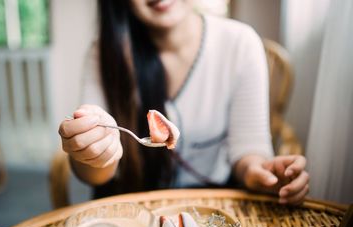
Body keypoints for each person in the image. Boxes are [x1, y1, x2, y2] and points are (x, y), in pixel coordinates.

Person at [58, 0, 309, 204]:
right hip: (132, 212)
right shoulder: (104, 53)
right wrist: (93, 152)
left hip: (213, 208)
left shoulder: (240, 43)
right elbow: (95, 176)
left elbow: (249, 150)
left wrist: (260, 173)